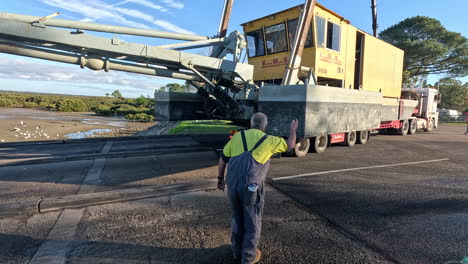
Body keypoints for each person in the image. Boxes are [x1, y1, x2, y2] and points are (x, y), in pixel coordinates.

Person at [217, 112, 298, 264]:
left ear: (251, 123)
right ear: (264, 125)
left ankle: (236, 251)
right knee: (252, 219)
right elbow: (290, 145)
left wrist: (220, 179)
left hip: (232, 185)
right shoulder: (269, 140)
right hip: (251, 187)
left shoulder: (237, 137)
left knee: (237, 217)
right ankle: (248, 257)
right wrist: (293, 129)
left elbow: (223, 160)